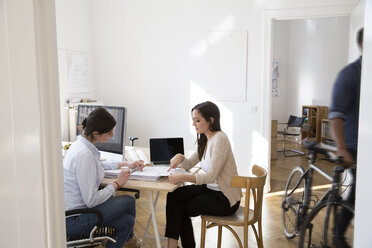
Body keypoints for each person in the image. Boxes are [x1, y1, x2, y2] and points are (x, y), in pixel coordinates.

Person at [165, 101, 242, 248]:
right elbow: (188, 164)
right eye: (193, 120)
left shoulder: (220, 139)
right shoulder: (205, 139)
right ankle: (173, 246)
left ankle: (174, 246)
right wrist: (180, 156)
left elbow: (211, 176)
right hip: (211, 190)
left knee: (181, 209)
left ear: (211, 120)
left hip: (224, 198)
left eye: (197, 120)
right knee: (173, 196)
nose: (194, 124)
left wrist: (183, 177)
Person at [63, 107, 144, 248]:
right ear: (95, 133)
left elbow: (99, 165)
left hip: (76, 213)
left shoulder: (80, 146)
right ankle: (131, 242)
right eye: (109, 132)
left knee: (127, 222)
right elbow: (91, 201)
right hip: (75, 220)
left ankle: (130, 241)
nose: (112, 135)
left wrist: (126, 164)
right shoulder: (84, 155)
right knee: (129, 201)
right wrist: (116, 184)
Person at [329, 27, 363, 248]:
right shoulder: (350, 74)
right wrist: (342, 148)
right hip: (353, 145)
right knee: (360, 190)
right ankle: (338, 233)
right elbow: (336, 115)